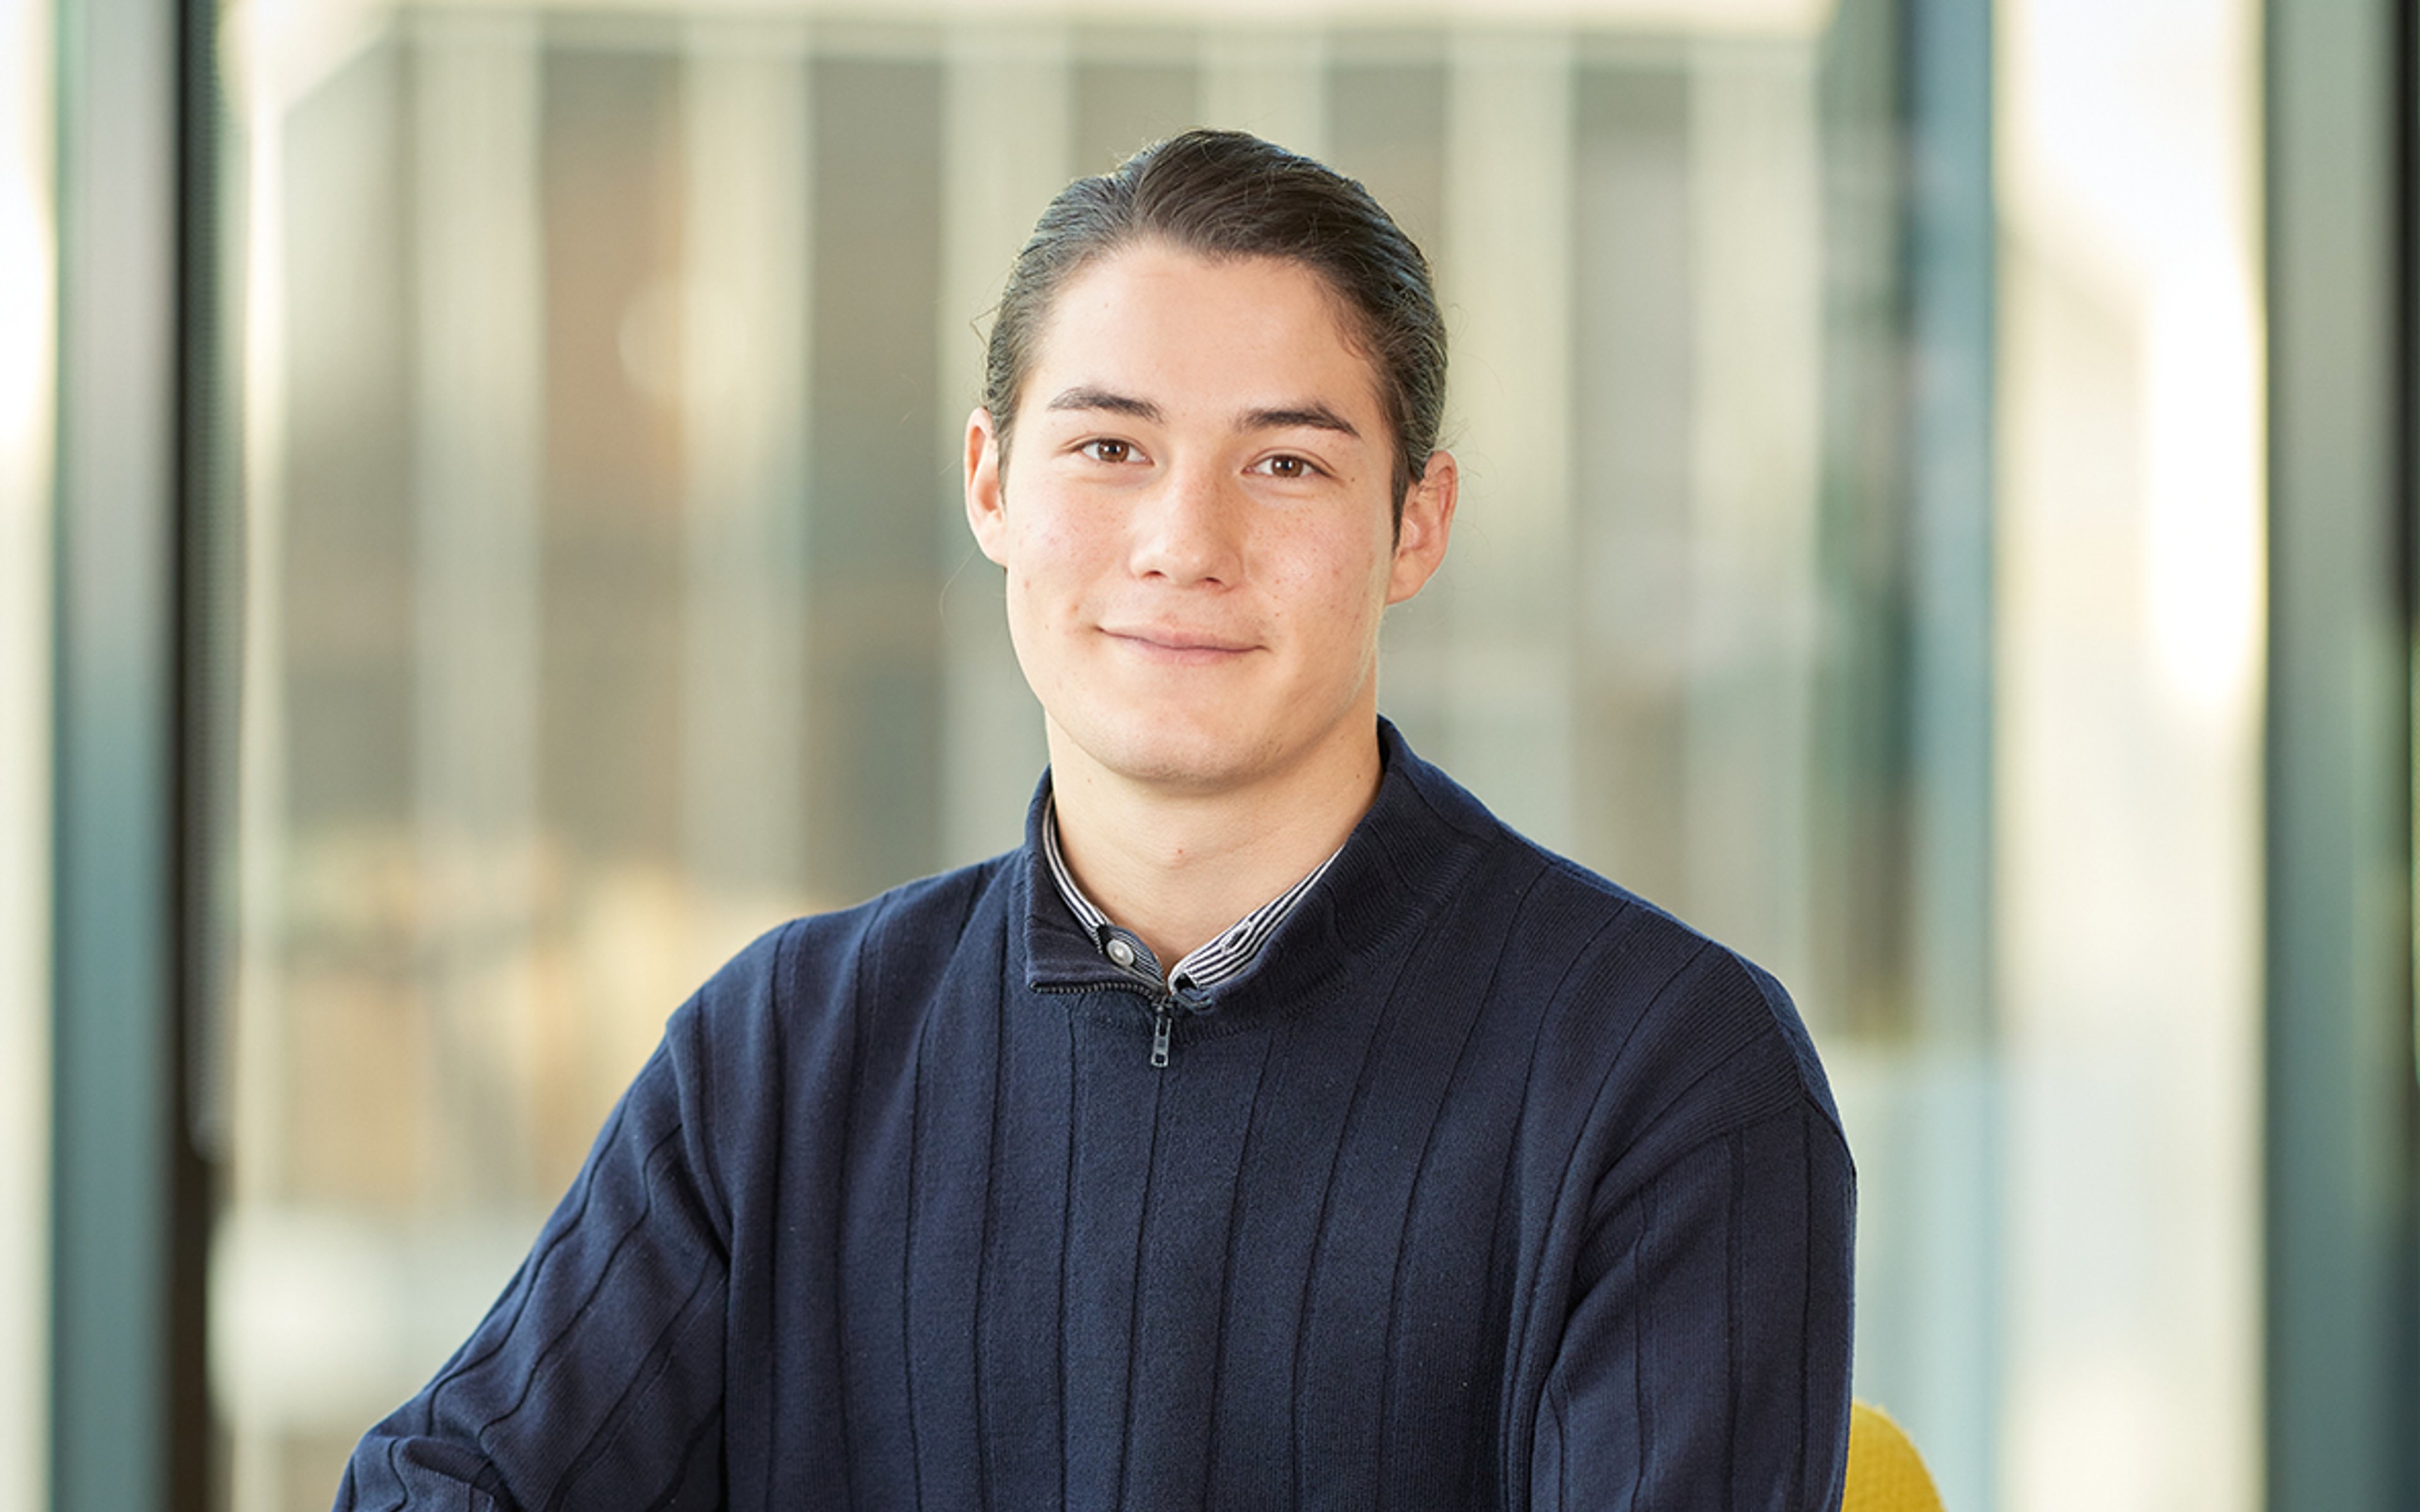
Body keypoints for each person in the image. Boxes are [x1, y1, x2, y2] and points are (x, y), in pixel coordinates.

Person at [335, 128, 1853, 1511]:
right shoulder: (786, 1051)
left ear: (1418, 523)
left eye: (1286, 463)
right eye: (1109, 449)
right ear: (992, 482)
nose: (1185, 543)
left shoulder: (1671, 1080)